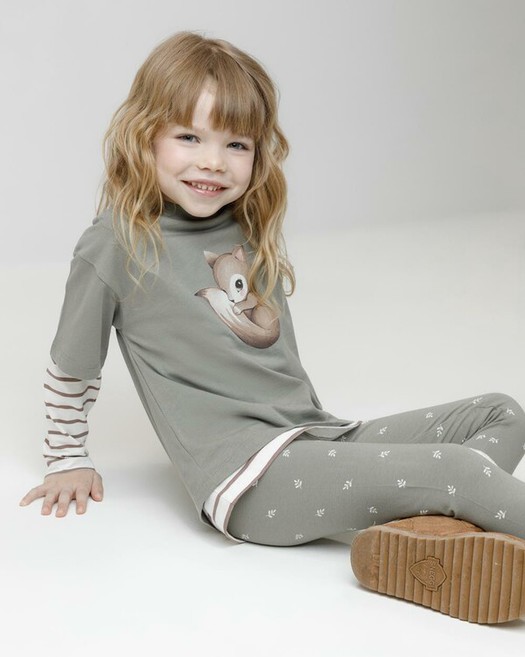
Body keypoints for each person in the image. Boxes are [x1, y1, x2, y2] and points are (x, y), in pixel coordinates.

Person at [19, 31, 525, 624]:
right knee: (456, 471)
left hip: (314, 439)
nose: (213, 161)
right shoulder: (115, 243)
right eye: (189, 137)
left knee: (501, 412)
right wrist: (66, 458)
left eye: (235, 144)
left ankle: (429, 541)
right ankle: (446, 517)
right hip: (251, 483)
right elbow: (72, 362)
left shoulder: (244, 227)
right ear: (144, 134)